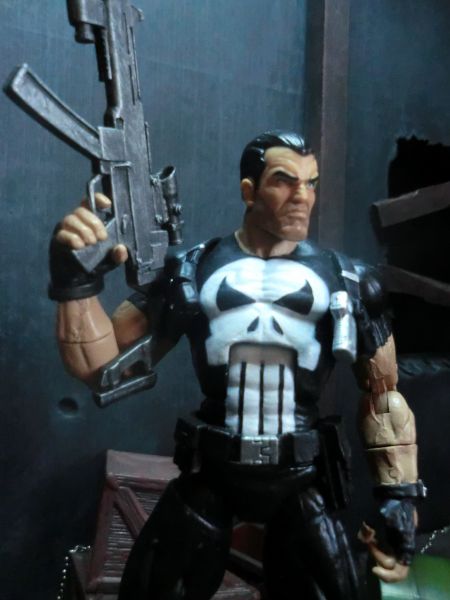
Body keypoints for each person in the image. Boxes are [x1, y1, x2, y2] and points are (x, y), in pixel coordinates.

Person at [49, 131, 424, 600]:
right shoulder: (192, 270)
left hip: (300, 479)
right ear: (249, 191)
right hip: (213, 476)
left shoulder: (347, 280)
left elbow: (384, 395)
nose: (302, 196)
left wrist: (399, 496)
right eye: (284, 181)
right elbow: (99, 364)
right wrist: (74, 280)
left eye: (311, 182)